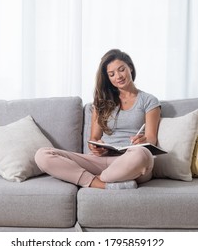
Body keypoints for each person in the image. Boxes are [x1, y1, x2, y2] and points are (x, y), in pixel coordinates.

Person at [35, 49, 161, 189]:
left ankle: (97, 179)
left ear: (130, 68)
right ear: (108, 78)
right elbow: (94, 138)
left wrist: (143, 141)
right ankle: (102, 184)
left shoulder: (149, 101)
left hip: (130, 161)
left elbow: (151, 138)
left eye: (121, 70)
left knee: (142, 154)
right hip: (100, 160)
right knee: (42, 154)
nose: (118, 76)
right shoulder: (102, 102)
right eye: (112, 74)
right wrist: (96, 147)